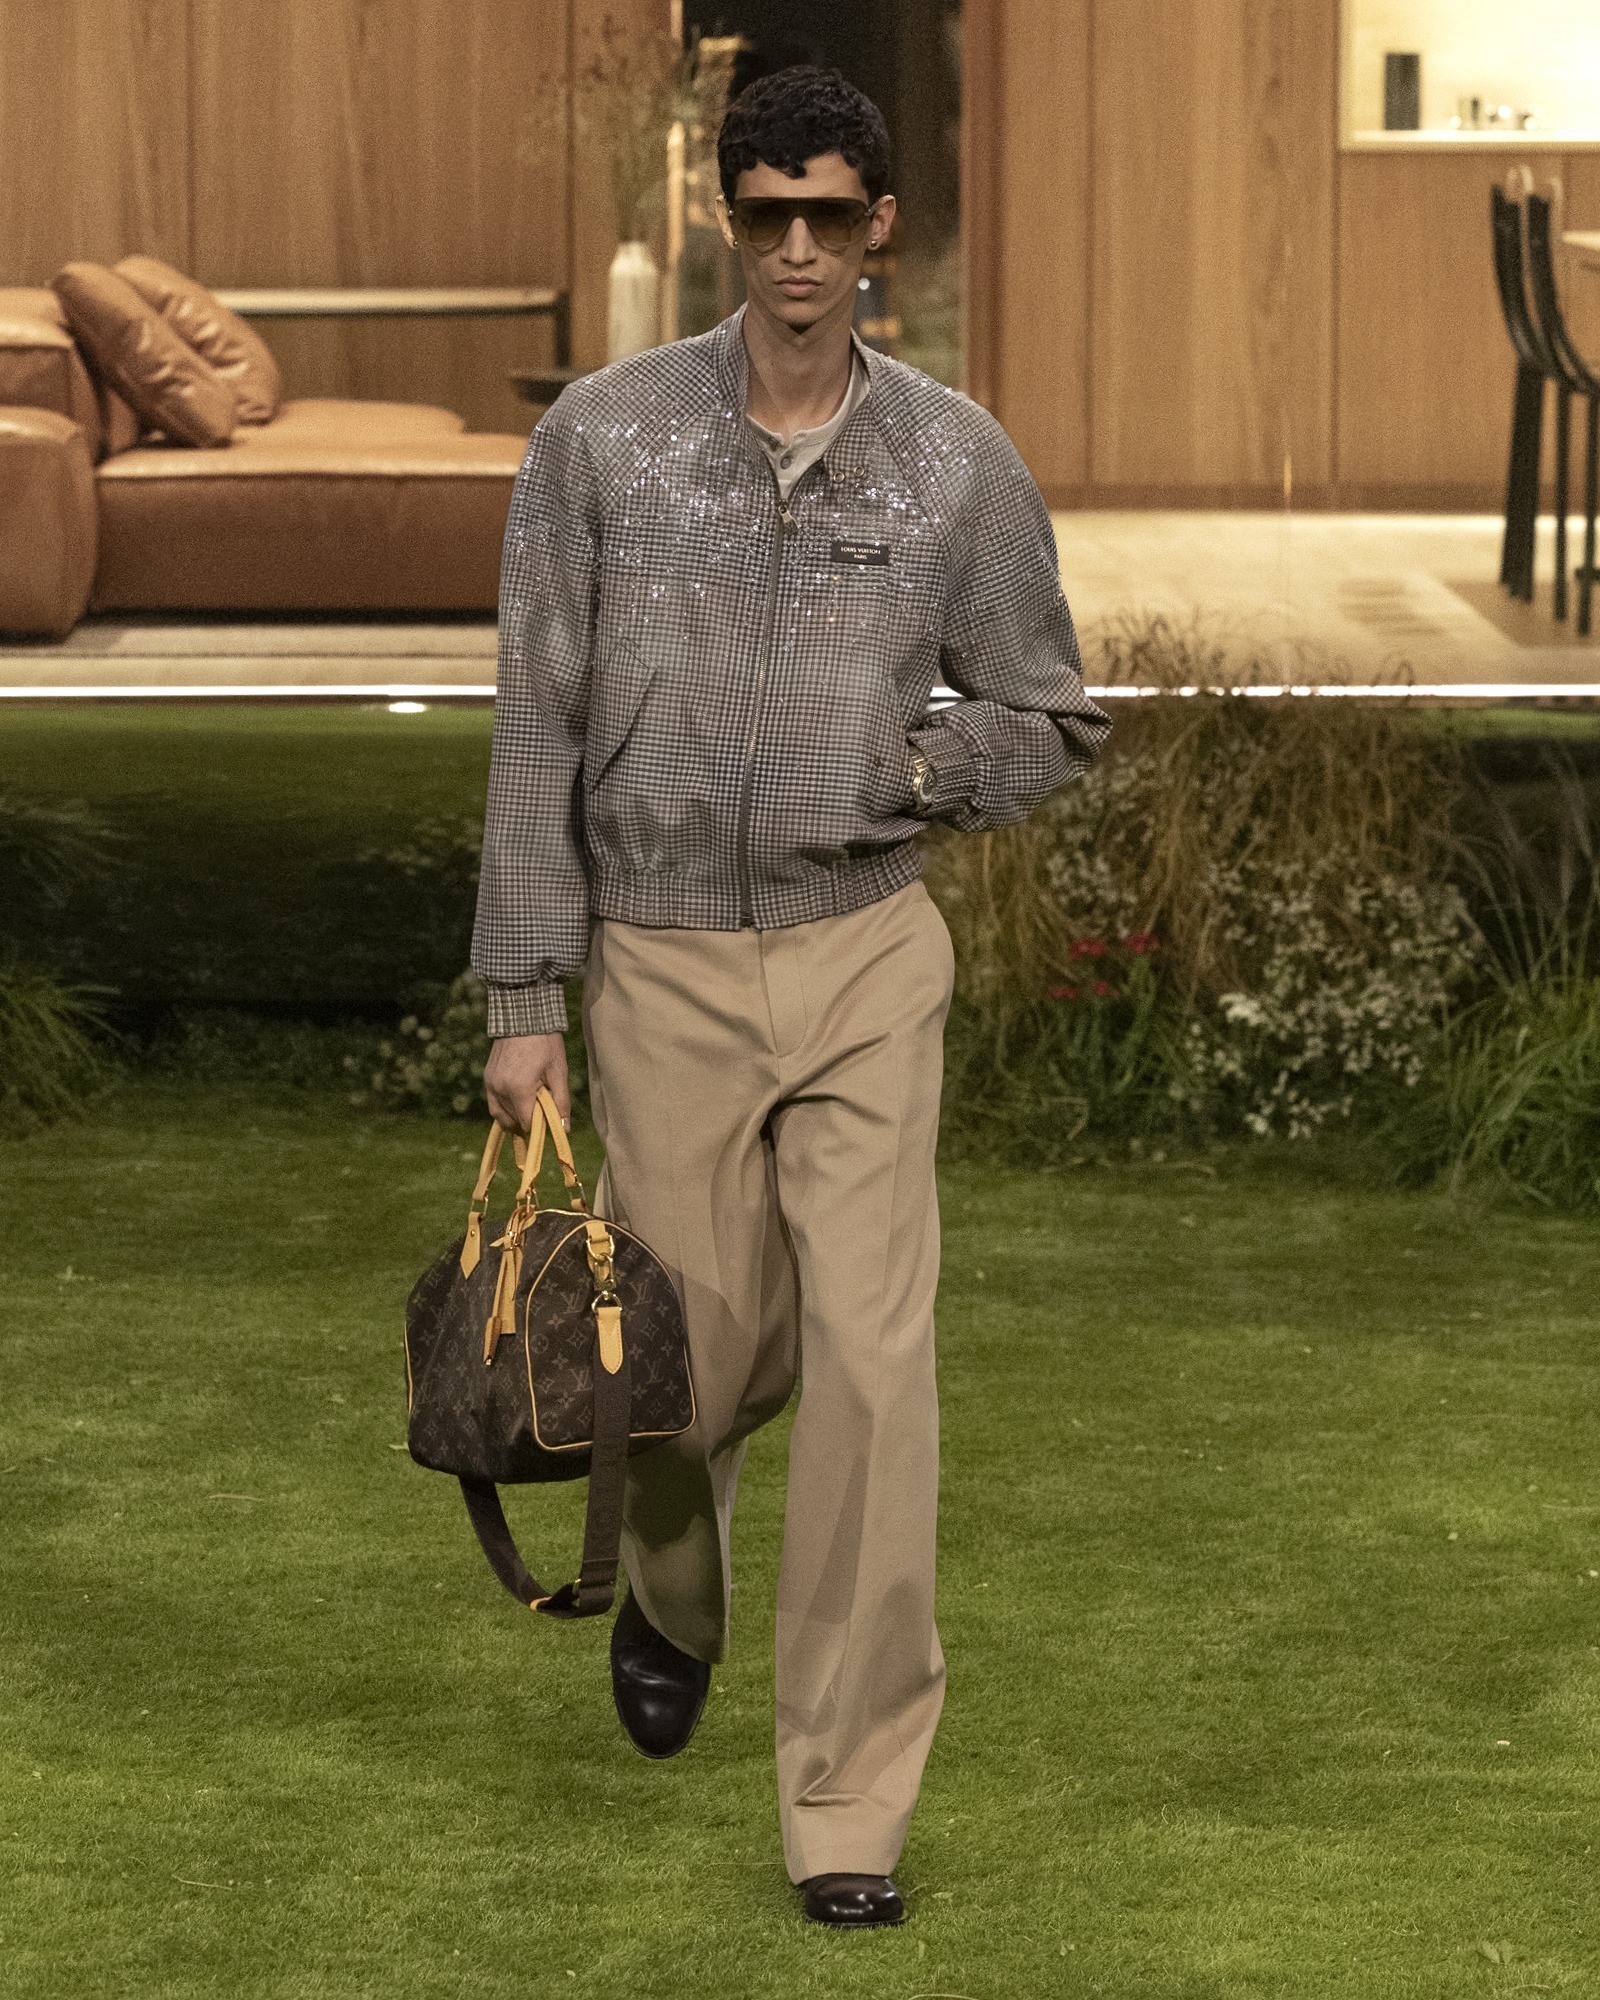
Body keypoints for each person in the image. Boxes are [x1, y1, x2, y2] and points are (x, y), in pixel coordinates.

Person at [471, 63, 1107, 1929]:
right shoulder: (602, 443)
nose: (802, 248)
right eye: (771, 216)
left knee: (876, 1374)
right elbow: (535, 726)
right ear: (728, 220)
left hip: (864, 955)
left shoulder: (955, 460)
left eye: (834, 214)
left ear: (878, 224)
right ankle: (674, 1594)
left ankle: (847, 1806)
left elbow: (1051, 714)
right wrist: (523, 990)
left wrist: (905, 772)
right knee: (681, 1378)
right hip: (660, 960)